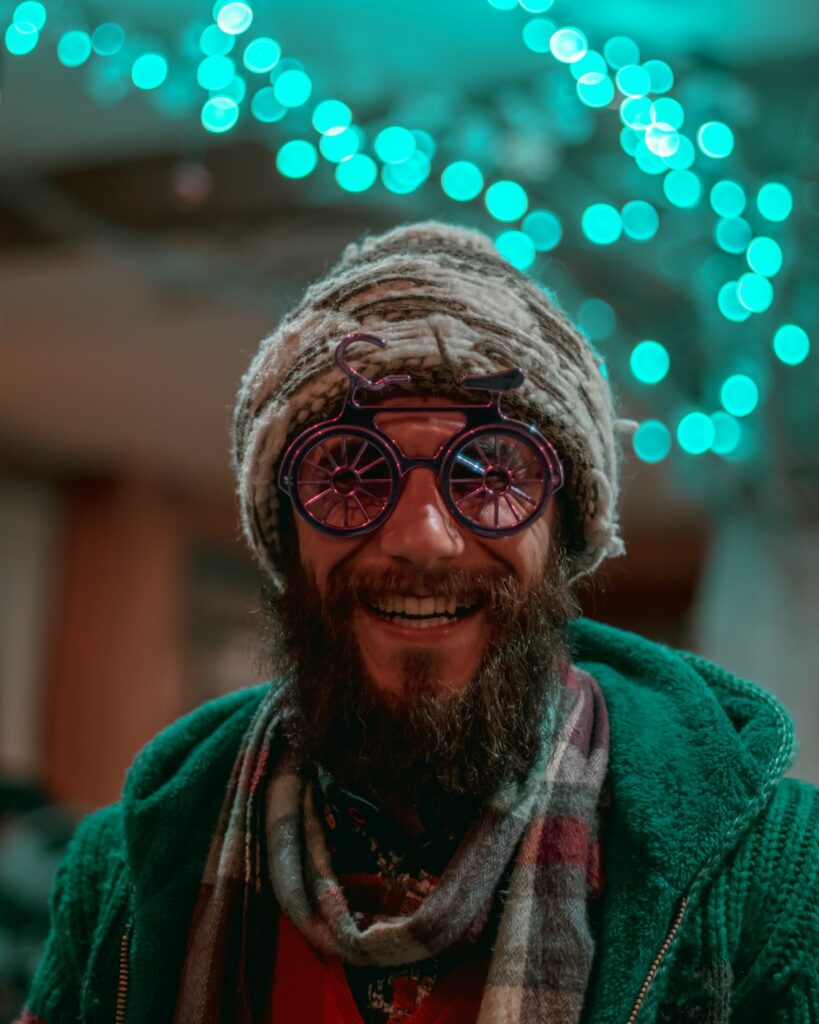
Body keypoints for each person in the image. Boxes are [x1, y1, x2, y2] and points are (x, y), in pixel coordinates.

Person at [19, 222, 818, 1024]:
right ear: (284, 536)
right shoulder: (124, 872)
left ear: (564, 532)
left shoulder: (772, 874)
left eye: (491, 473)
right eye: (348, 472)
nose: (421, 538)